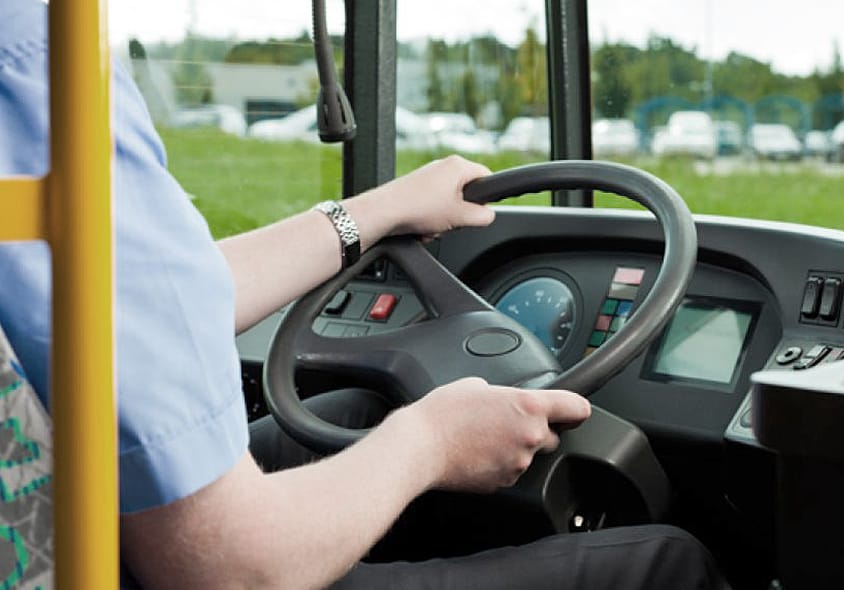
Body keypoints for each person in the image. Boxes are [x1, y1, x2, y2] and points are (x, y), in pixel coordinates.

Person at [0, 1, 727, 588]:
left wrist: (379, 211)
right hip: (105, 561)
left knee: (356, 411)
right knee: (667, 563)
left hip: (55, 512)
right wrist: (432, 441)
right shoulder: (39, 56)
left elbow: (138, 303)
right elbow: (235, 571)